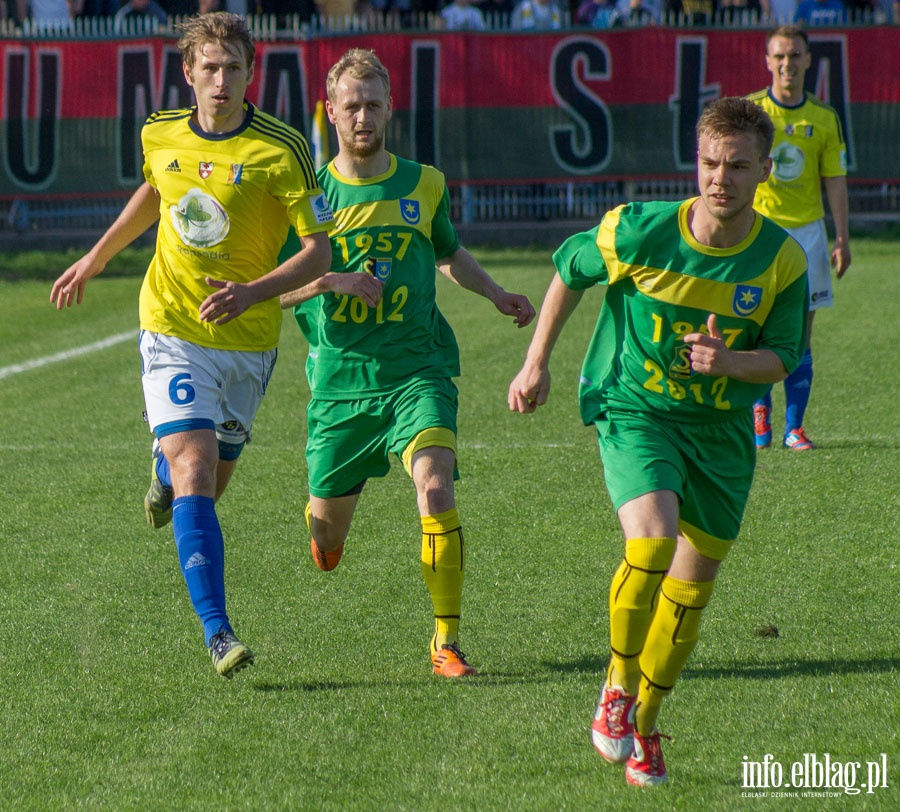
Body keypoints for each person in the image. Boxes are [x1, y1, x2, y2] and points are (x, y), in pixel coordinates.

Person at [508, 97, 808, 786]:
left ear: (764, 170)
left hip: (723, 436)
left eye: (737, 166)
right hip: (636, 410)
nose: (719, 179)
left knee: (691, 593)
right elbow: (568, 271)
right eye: (708, 162)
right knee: (650, 542)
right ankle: (617, 685)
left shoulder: (782, 260)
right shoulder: (641, 230)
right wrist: (536, 361)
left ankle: (645, 725)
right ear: (694, 161)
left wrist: (732, 362)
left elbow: (784, 355)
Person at [50, 12, 333, 679]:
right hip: (171, 326)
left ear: (250, 74)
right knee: (197, 470)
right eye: (209, 67)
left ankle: (161, 475)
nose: (221, 80)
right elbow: (154, 193)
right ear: (188, 73)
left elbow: (317, 251)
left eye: (234, 67)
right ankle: (218, 632)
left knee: (208, 479)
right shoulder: (159, 132)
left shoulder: (282, 149)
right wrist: (95, 258)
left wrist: (252, 292)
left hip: (249, 341)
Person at [279, 48, 535, 679]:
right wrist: (325, 283)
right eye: (351, 106)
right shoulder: (306, 195)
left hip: (418, 368)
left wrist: (496, 292)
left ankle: (446, 640)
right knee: (327, 535)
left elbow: (449, 253)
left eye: (373, 103)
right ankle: (327, 529)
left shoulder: (425, 182)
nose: (362, 116)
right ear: (331, 113)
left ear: (390, 107)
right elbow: (271, 289)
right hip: (340, 381)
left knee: (436, 485)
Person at [747, 25, 851, 450]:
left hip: (808, 234)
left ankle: (794, 427)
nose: (787, 63)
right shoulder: (751, 113)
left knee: (801, 333)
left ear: (809, 60)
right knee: (753, 326)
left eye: (795, 56)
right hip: (759, 234)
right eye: (780, 56)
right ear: (768, 61)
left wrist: (842, 237)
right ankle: (759, 417)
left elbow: (835, 180)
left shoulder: (823, 118)